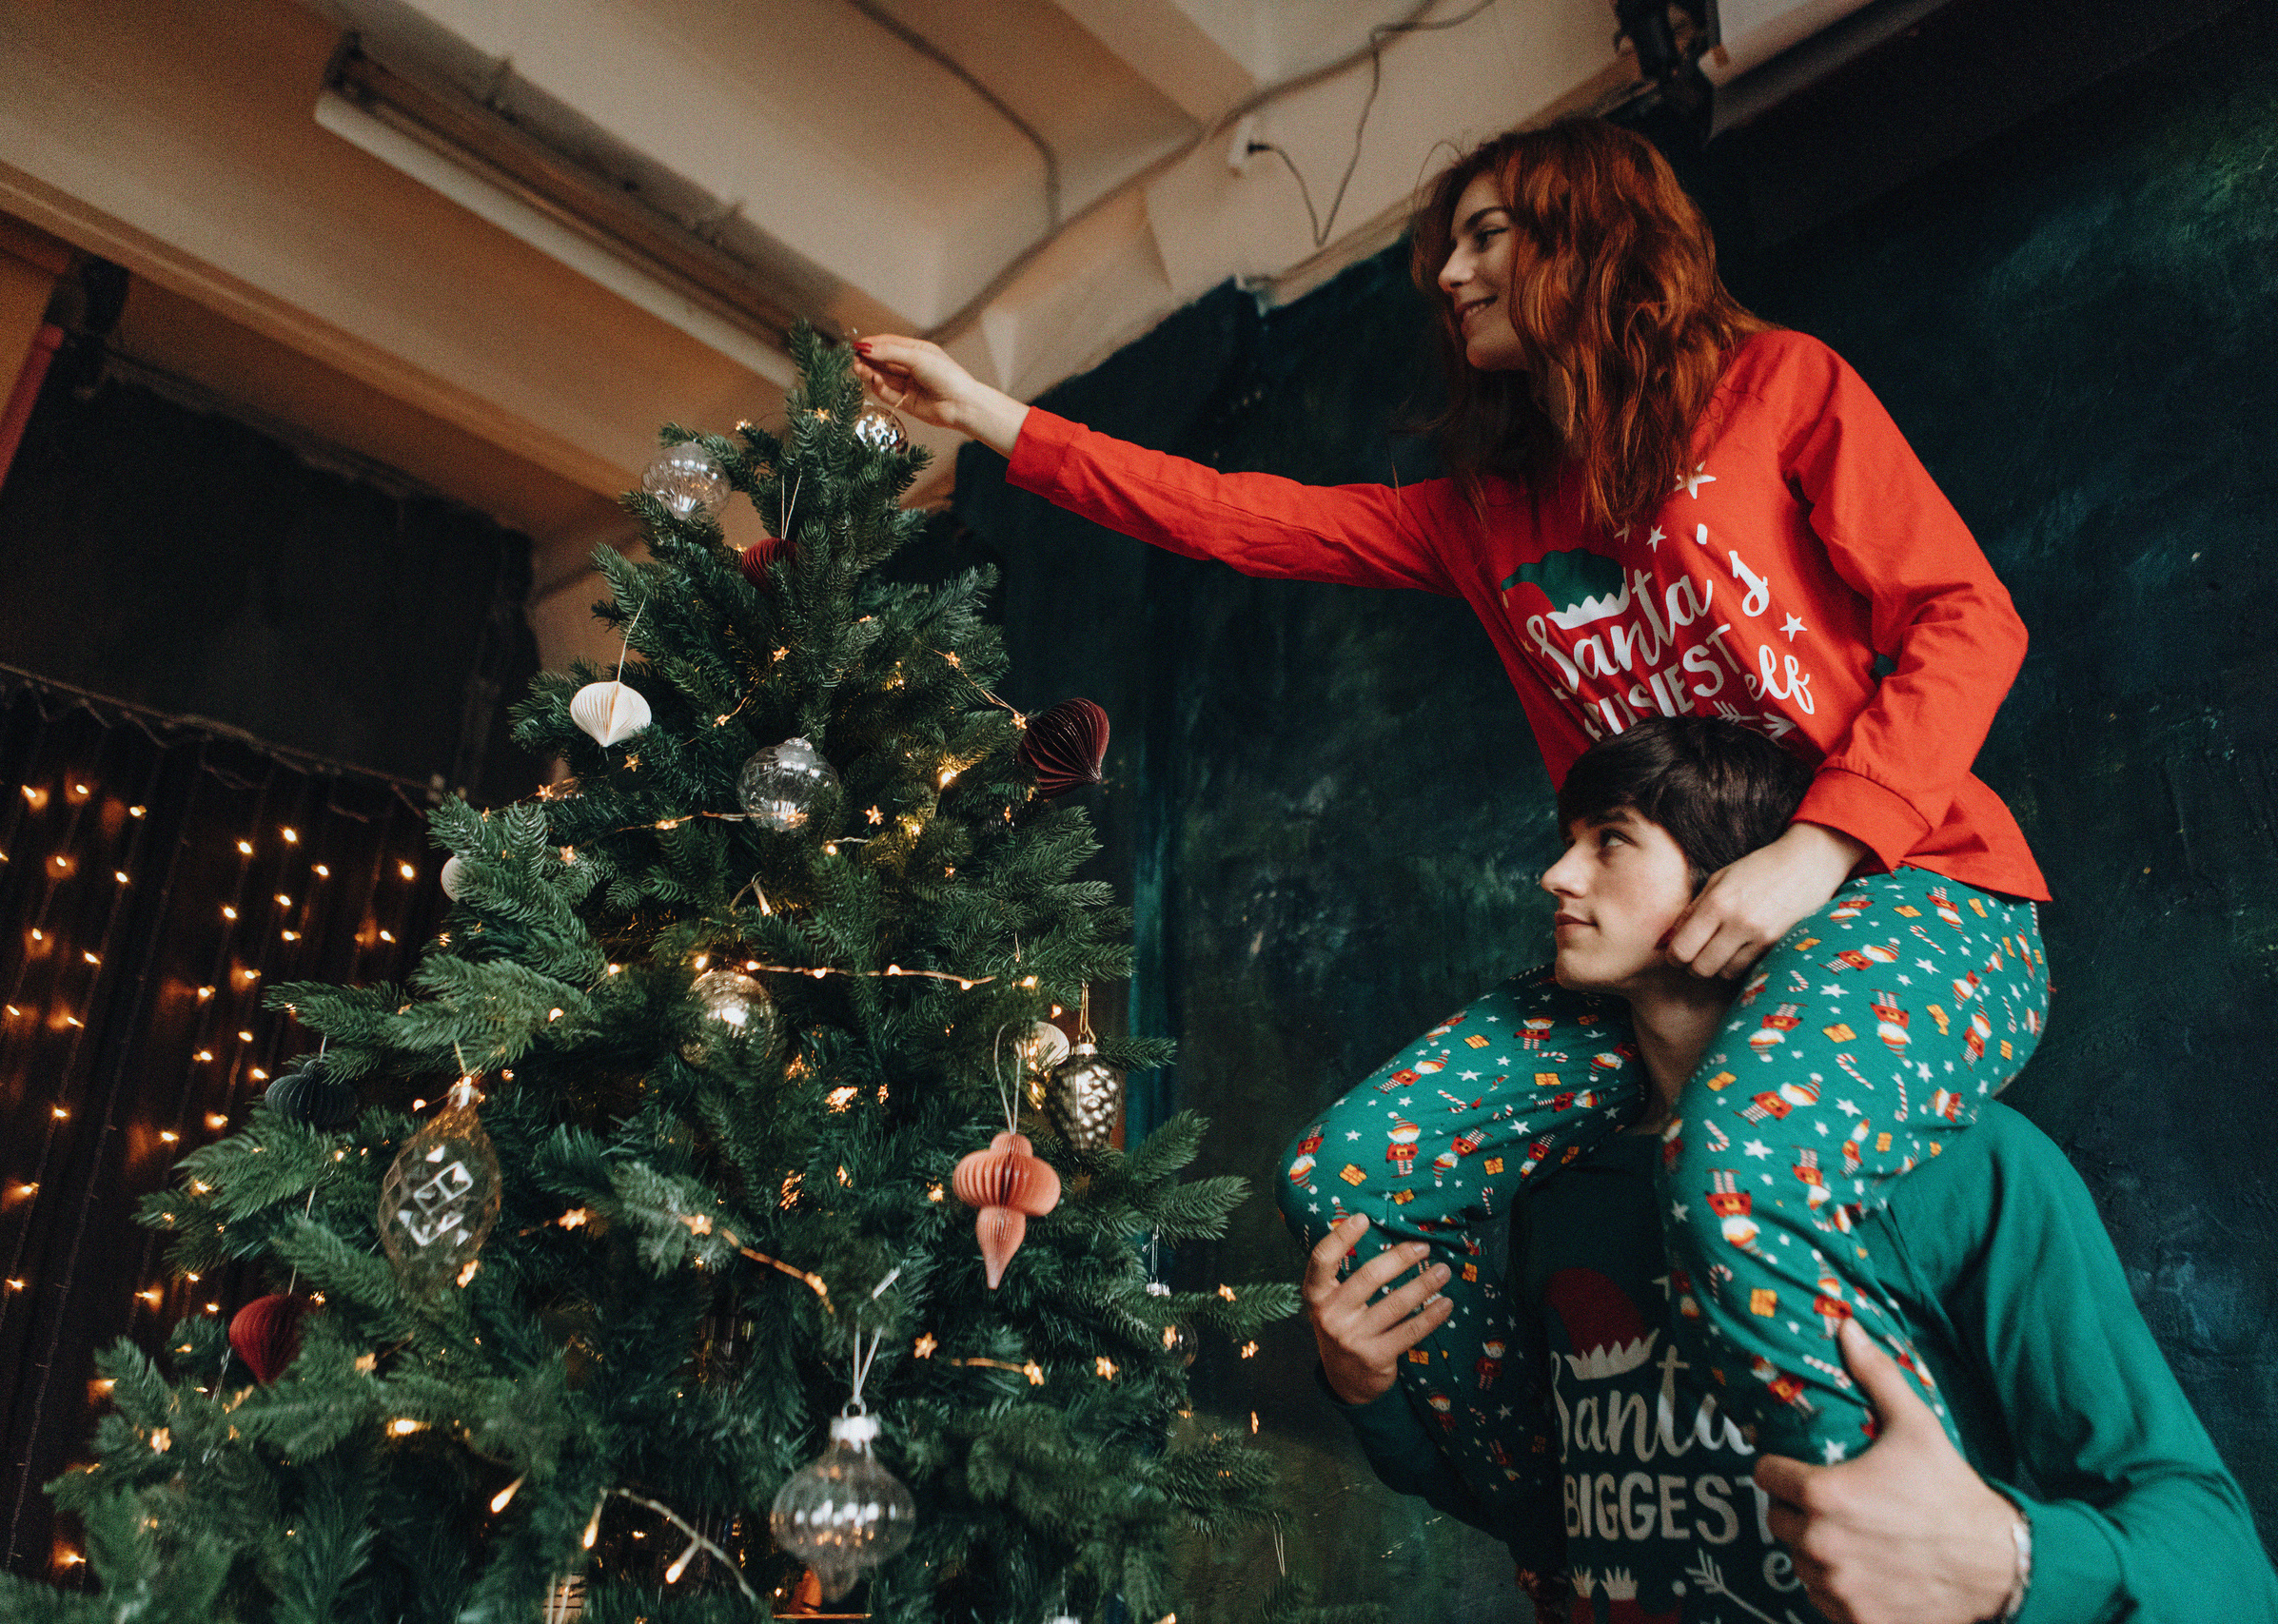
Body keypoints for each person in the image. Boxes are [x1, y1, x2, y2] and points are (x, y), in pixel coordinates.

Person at [854, 117, 2051, 1573]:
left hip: (1917, 897)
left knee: (1739, 1162)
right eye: (1447, 248)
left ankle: (1887, 1569)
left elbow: (1968, 616)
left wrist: (1824, 846)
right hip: (1665, 966)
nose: (1456, 274)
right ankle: (1576, 1539)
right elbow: (1239, 518)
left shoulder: (1778, 388)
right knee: (1352, 1178)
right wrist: (992, 414)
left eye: (1491, 237)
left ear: (1594, 243)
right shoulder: (1483, 517)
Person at [1304, 718, 2278, 1624]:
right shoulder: (1564, 1192)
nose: (1555, 876)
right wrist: (1371, 1386)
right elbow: (1559, 1522)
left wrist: (2010, 1564)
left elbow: (2227, 1571)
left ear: (1741, 884)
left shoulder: (1971, 1172)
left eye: (1610, 840)